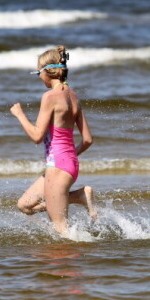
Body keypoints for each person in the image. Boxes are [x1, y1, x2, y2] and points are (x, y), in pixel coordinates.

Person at [10, 45, 96, 236]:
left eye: (37, 72)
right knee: (25, 205)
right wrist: (69, 155)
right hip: (69, 163)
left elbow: (37, 136)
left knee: (62, 232)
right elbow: (88, 139)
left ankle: (68, 264)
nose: (38, 77)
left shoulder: (49, 97)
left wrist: (20, 115)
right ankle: (79, 196)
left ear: (47, 71)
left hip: (57, 166)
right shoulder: (74, 97)